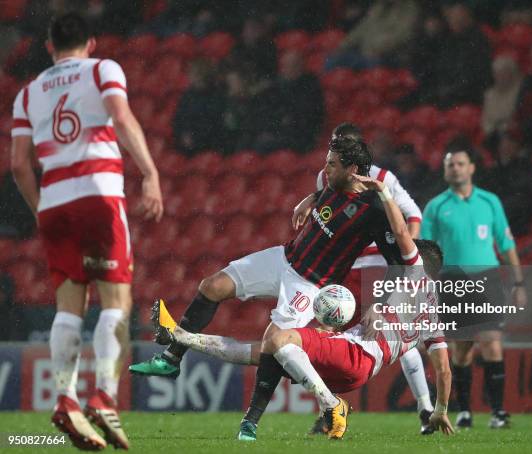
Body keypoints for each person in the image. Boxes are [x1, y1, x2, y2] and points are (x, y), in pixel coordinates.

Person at [129, 136, 428, 437]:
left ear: (352, 169)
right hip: (284, 257)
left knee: (274, 343)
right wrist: (309, 199)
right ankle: (171, 359)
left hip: (309, 284)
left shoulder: (373, 210)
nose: (325, 168)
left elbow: (402, 263)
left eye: (332, 164)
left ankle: (251, 421)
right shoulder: (332, 184)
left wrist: (378, 304)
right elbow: (330, 191)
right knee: (213, 285)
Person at [10, 13, 163, 451]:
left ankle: (65, 399)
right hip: (98, 193)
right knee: (117, 299)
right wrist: (150, 173)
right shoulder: (103, 69)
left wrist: (42, 209)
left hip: (55, 202)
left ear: (48, 46)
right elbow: (121, 116)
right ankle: (104, 397)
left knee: (68, 305)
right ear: (91, 43)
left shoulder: (27, 94)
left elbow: (19, 165)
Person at [312, 123, 435, 435]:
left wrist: (407, 257)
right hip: (344, 267)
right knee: (328, 336)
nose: (336, 150)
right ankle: (330, 410)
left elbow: (414, 215)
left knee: (394, 334)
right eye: (335, 144)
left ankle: (425, 407)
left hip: (380, 266)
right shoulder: (326, 176)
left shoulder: (382, 178)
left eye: (343, 144)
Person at [421, 143, 527, 429]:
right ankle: (465, 411)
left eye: (459, 163)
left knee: (493, 343)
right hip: (452, 283)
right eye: (449, 164)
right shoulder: (436, 206)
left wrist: (518, 282)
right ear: (445, 171)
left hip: (487, 280)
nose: (454, 168)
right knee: (462, 351)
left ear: (471, 168)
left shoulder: (490, 202)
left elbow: (506, 244)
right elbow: (426, 251)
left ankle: (498, 412)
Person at [481, 56, 523, 141]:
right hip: (492, 134)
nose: (501, 77)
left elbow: (514, 116)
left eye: (504, 73)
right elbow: (486, 120)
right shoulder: (489, 95)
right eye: (498, 74)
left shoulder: (519, 92)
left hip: (511, 134)